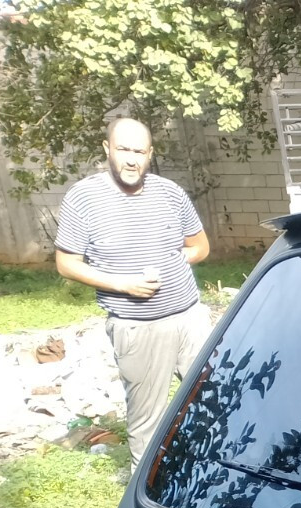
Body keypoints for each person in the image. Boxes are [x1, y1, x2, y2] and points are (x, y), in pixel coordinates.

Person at [54, 117, 210, 469]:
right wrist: (122, 283)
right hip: (136, 328)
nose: (131, 159)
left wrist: (173, 260)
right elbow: (67, 264)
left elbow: (200, 247)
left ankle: (211, 476)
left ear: (150, 154)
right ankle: (149, 499)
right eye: (123, 149)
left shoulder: (170, 193)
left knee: (212, 398)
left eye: (139, 151)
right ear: (108, 149)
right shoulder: (84, 198)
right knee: (147, 420)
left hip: (190, 318)